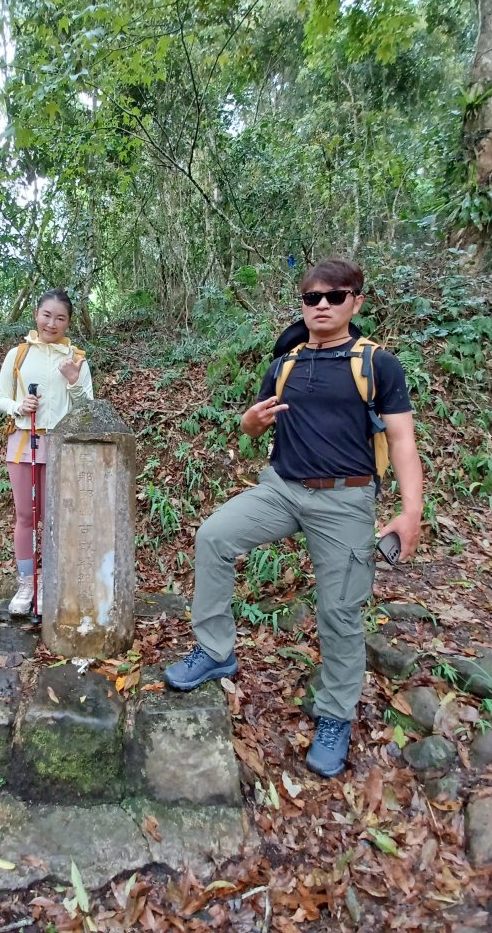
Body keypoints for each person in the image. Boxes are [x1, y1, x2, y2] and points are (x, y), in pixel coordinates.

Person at [164, 259, 423, 778]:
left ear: (356, 302)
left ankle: (334, 714)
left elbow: (401, 439)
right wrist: (249, 421)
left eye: (335, 295)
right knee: (214, 536)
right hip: (281, 489)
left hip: (346, 500)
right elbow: (254, 426)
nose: (322, 305)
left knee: (340, 611)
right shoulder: (286, 361)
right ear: (302, 304)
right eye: (312, 298)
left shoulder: (378, 364)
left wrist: (410, 510)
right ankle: (215, 650)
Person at [0, 289, 93, 614]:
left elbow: (87, 408)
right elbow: (1, 398)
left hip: (61, 445)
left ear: (68, 322)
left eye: (60, 317)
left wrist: (74, 380)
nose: (52, 322)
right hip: (24, 440)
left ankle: (51, 579)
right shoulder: (19, 354)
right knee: (26, 515)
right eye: (46, 315)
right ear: (36, 314)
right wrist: (19, 406)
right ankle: (27, 583)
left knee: (54, 518)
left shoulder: (77, 358)